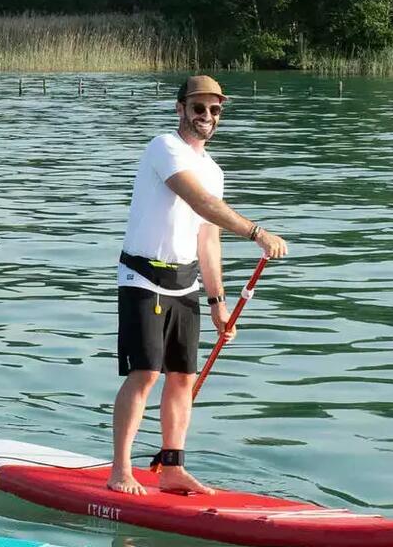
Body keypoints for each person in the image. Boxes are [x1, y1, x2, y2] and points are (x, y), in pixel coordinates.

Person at [107, 75, 288, 496]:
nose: (206, 116)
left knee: (183, 377)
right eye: (199, 108)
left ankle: (172, 468)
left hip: (184, 282)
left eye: (215, 110)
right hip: (142, 277)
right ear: (181, 109)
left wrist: (217, 302)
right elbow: (200, 202)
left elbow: (208, 236)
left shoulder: (214, 170)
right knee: (146, 373)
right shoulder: (163, 147)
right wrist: (257, 232)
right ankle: (120, 469)